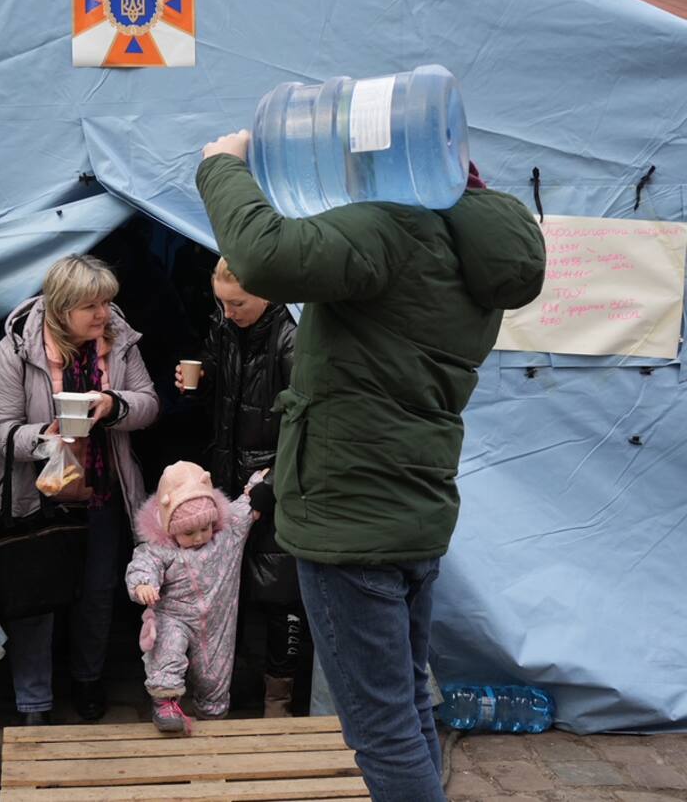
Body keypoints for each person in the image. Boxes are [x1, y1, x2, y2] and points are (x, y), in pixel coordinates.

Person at [196, 130, 545, 801]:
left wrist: (222, 167)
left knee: (381, 729)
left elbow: (262, 257)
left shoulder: (390, 230)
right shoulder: (475, 252)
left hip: (348, 518)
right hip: (412, 510)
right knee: (406, 700)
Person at [0, 254, 159, 725]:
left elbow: (150, 404)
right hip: (36, 497)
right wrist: (46, 439)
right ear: (61, 309)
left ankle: (88, 681)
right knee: (34, 599)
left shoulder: (120, 342)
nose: (103, 314)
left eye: (106, 302)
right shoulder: (16, 348)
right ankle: (33, 701)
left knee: (98, 594)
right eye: (91, 306)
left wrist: (113, 404)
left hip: (102, 492)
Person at [175, 257, 311, 717]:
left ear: (268, 291)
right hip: (229, 478)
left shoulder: (294, 336)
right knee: (219, 590)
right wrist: (200, 384)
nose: (229, 311)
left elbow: (309, 420)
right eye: (223, 302)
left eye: (238, 303)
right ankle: (221, 689)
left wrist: (278, 479)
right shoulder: (224, 325)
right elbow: (225, 393)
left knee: (280, 592)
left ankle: (280, 700)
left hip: (275, 483)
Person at [125, 460, 272, 732]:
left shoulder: (226, 535)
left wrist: (258, 483)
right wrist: (143, 585)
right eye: (188, 532)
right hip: (174, 614)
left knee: (213, 672)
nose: (198, 537)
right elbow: (142, 565)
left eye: (205, 528)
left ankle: (212, 716)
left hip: (217, 619)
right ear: (170, 528)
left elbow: (245, 506)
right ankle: (166, 701)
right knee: (167, 647)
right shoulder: (159, 549)